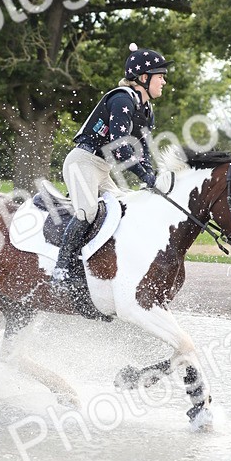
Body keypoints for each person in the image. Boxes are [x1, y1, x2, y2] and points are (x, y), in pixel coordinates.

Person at [51, 44, 174, 288]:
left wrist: (151, 176)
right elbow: (119, 147)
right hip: (82, 162)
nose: (164, 82)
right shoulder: (121, 99)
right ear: (143, 78)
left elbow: (142, 149)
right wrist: (144, 177)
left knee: (123, 210)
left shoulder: (146, 108)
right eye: (160, 77)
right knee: (87, 212)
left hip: (102, 169)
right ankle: (61, 270)